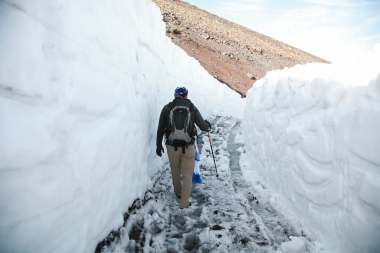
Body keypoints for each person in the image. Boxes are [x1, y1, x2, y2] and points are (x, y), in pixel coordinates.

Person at [156, 87, 211, 209]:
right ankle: (184, 202)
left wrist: (158, 145)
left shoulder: (167, 108)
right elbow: (203, 126)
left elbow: (160, 128)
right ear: (186, 96)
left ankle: (178, 193)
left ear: (175, 96)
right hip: (188, 146)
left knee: (175, 172)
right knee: (187, 175)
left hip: (171, 146)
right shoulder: (192, 108)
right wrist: (208, 126)